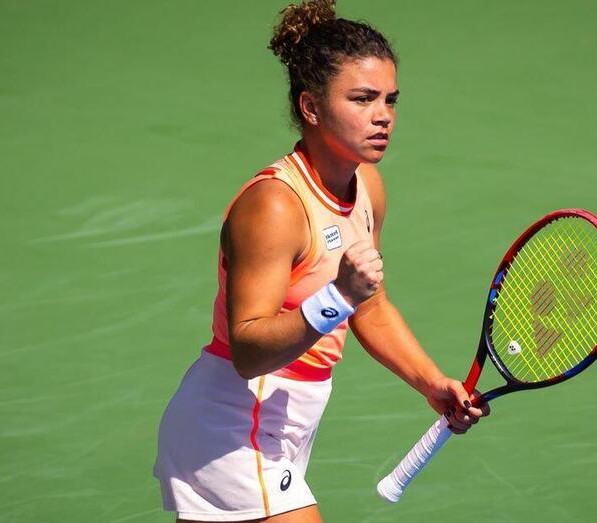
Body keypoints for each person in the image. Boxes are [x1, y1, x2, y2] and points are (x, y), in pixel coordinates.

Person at [153, 1, 489, 521]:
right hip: (237, 420)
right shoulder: (274, 207)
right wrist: (337, 296)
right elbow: (248, 350)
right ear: (311, 107)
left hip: (286, 421)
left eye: (390, 100)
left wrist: (431, 382)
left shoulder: (367, 187)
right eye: (362, 99)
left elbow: (371, 309)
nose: (383, 116)